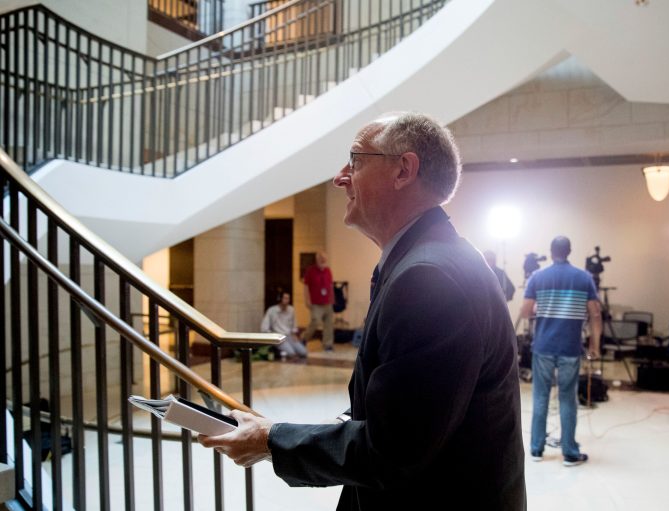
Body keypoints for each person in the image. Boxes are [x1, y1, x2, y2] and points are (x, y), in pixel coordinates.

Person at [199, 112, 526, 510]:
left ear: (403, 170)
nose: (340, 177)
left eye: (355, 160)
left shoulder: (428, 278)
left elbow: (392, 451)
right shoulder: (430, 260)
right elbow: (405, 410)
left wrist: (270, 438)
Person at [520, 236, 601, 467]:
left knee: (540, 398)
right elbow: (595, 314)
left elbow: (525, 312)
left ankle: (536, 450)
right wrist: (594, 345)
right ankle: (569, 453)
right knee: (567, 399)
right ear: (569, 251)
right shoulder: (584, 277)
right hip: (570, 348)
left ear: (551, 251)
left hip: (543, 347)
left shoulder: (538, 277)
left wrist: (538, 306)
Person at [302, 251, 336, 352]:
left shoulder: (328, 270)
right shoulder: (310, 271)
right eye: (321, 259)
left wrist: (332, 298)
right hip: (316, 303)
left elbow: (330, 285)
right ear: (317, 260)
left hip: (327, 302)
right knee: (315, 321)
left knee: (328, 324)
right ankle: (304, 338)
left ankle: (328, 344)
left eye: (324, 259)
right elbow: (306, 286)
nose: (323, 261)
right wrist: (307, 300)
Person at [261, 292, 308, 359]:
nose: (287, 300)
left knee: (304, 352)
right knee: (291, 353)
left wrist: (294, 334)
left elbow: (294, 324)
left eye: (288, 298)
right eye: (285, 298)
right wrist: (273, 336)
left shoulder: (291, 310)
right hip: (278, 337)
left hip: (289, 336)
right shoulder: (272, 310)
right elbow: (264, 328)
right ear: (280, 299)